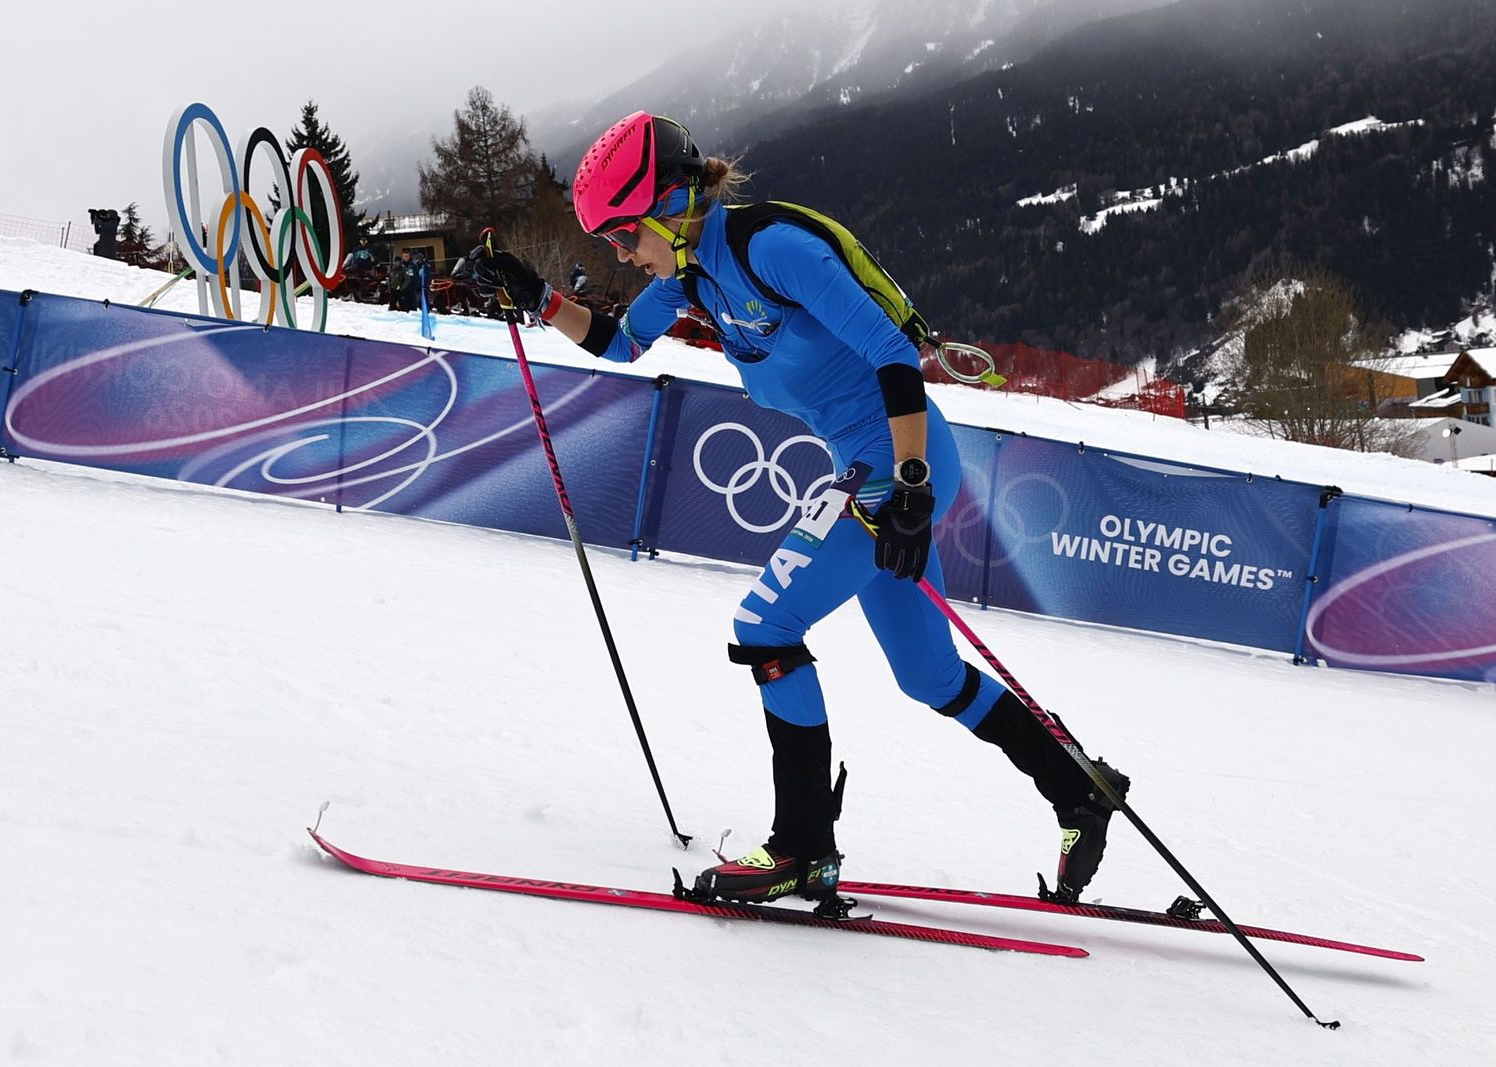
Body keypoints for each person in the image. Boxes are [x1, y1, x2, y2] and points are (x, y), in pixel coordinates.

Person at [469, 112, 1129, 906]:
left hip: (900, 462)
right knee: (932, 674)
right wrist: (535, 298)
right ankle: (1078, 785)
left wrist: (911, 489)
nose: (618, 251)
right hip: (871, 469)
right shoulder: (690, 276)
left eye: (621, 232)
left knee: (765, 626)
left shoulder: (769, 248)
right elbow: (620, 345)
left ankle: (802, 846)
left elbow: (891, 351)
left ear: (667, 204)